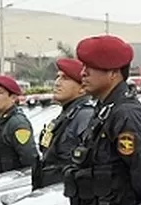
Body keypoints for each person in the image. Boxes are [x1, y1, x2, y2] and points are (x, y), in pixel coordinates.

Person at [63, 35, 141, 205]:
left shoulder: (125, 114)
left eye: (91, 67)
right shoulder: (104, 110)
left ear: (114, 73)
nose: (83, 73)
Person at [32, 58, 94, 189]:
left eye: (65, 78)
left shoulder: (84, 116)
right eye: (57, 77)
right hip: (52, 191)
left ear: (82, 88)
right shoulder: (66, 115)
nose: (57, 83)